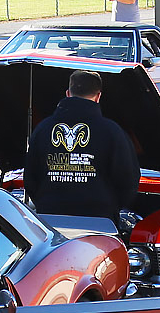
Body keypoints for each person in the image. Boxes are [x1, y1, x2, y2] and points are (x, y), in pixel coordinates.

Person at [24, 70, 138, 222]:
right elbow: (128, 180)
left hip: (51, 221)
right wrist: (110, 207)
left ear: (68, 93)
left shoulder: (43, 129)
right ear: (98, 96)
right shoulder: (113, 132)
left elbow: (30, 177)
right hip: (100, 223)